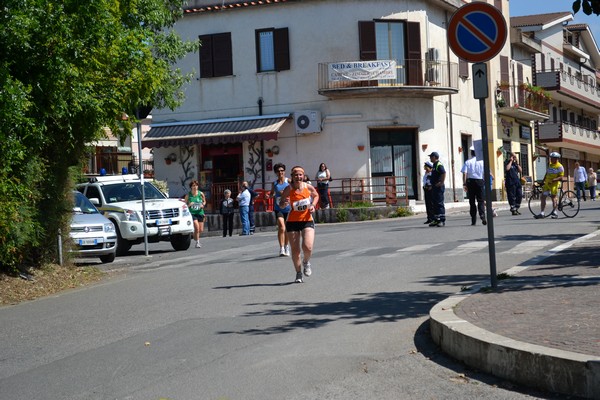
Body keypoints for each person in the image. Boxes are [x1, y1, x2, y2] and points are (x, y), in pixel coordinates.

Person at [279, 166, 319, 283]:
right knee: (295, 250)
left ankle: (306, 261)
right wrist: (284, 203)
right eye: (296, 175)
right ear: (292, 176)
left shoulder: (308, 187)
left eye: (300, 174)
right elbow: (281, 204)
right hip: (292, 221)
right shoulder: (288, 189)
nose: (298, 177)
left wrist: (313, 205)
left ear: (303, 176)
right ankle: (298, 273)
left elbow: (316, 195)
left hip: (307, 220)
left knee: (308, 247)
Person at [267, 163, 291, 256]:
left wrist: (286, 194)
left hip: (288, 208)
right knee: (281, 226)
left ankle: (286, 246)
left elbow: (294, 191)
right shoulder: (274, 183)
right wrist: (268, 195)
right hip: (278, 208)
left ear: (284, 171)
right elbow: (272, 194)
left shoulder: (288, 181)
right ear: (276, 173)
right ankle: (281, 248)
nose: (280, 172)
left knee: (287, 228)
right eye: (278, 171)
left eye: (282, 170)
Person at [534, 152, 564, 219]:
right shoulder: (550, 165)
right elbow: (547, 173)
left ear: (556, 159)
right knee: (543, 197)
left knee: (553, 197)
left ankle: (555, 212)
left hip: (554, 184)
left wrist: (554, 180)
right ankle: (542, 213)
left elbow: (561, 177)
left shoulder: (560, 166)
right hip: (547, 184)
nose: (551, 159)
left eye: (552, 158)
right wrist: (543, 181)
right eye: (551, 158)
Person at [461, 147, 486, 225]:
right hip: (479, 181)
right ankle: (482, 215)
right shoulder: (482, 162)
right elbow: (485, 173)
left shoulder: (468, 162)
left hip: (470, 181)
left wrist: (464, 184)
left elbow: (464, 173)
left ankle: (473, 218)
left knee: (472, 201)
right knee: (480, 200)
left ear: (471, 153)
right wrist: (483, 181)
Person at [184, 180, 206, 248]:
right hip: (192, 213)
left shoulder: (201, 194)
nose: (195, 187)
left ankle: (194, 235)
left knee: (201, 230)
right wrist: (189, 205)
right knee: (196, 227)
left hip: (200, 212)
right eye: (193, 186)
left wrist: (203, 205)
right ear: (191, 187)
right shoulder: (188, 195)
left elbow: (204, 201)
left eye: (196, 185)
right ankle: (197, 243)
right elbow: (184, 204)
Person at [428, 152, 446, 227]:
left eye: (431, 157)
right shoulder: (434, 165)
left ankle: (441, 220)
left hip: (439, 187)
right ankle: (436, 219)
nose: (430, 158)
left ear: (435, 157)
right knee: (435, 203)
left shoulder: (439, 164)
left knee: (439, 203)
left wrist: (441, 182)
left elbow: (443, 173)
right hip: (434, 187)